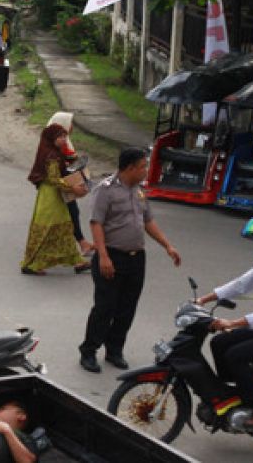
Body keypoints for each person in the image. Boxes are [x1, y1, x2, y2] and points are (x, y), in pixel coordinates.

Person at [79, 147, 182, 373]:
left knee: (127, 308)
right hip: (111, 256)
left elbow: (148, 221)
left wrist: (167, 245)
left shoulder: (138, 191)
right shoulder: (105, 190)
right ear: (130, 168)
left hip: (136, 258)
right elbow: (96, 223)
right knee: (105, 308)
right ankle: (89, 350)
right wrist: (103, 256)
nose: (146, 170)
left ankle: (114, 349)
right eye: (143, 166)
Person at [196, 218, 253, 428]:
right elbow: (241, 284)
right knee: (219, 343)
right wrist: (204, 299)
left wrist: (233, 322)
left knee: (235, 355)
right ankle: (243, 391)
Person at [20, 125, 89, 276]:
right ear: (52, 138)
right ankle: (30, 264)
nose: (64, 140)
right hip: (51, 198)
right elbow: (53, 179)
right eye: (60, 137)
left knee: (63, 229)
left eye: (65, 137)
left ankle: (78, 262)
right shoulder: (51, 155)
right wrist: (74, 189)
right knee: (47, 230)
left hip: (53, 196)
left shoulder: (53, 152)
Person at [46, 112, 95, 256]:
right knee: (68, 214)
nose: (72, 127)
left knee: (70, 213)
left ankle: (80, 244)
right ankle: (79, 245)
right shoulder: (53, 145)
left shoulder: (63, 141)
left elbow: (69, 159)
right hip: (58, 186)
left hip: (63, 183)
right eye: (70, 123)